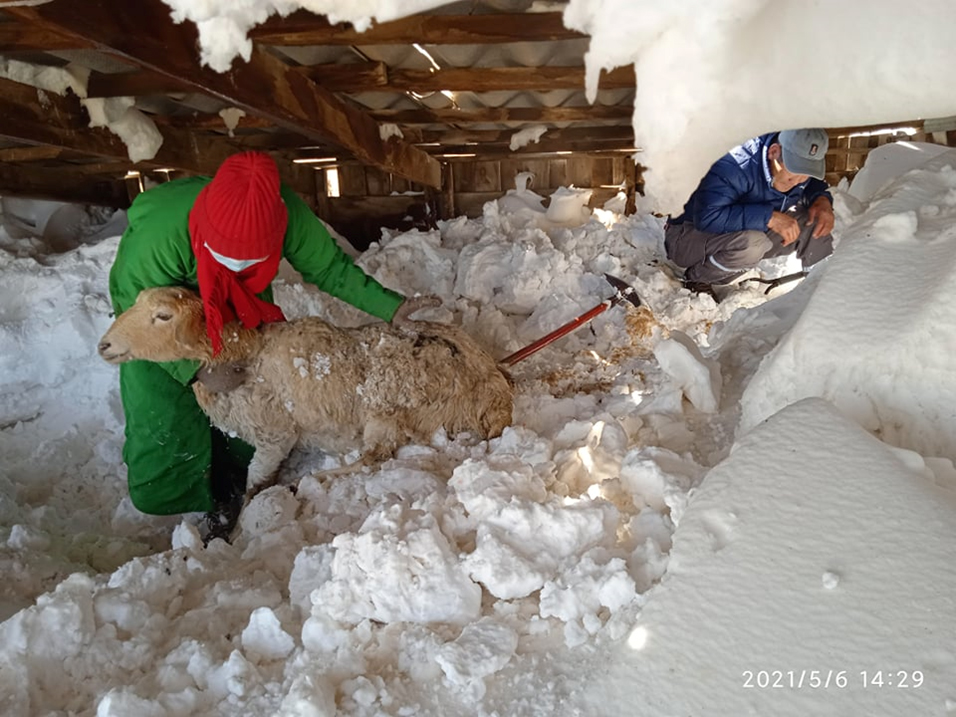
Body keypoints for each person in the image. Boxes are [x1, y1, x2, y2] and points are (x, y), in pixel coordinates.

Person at [108, 151, 432, 538]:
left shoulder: (285, 212)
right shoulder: (159, 240)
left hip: (238, 302)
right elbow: (137, 312)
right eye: (230, 257)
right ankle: (180, 498)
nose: (238, 267)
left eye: (251, 260)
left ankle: (232, 485)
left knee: (249, 394)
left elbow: (327, 267)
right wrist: (193, 367)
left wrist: (391, 308)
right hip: (161, 312)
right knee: (163, 404)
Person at [664, 128, 836, 300]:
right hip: (687, 236)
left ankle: (822, 293)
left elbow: (812, 183)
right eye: (792, 175)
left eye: (804, 175)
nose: (797, 182)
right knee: (753, 244)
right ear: (774, 152)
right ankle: (697, 277)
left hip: (743, 231)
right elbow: (708, 217)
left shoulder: (794, 170)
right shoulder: (734, 165)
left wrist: (821, 199)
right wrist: (769, 217)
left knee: (816, 221)